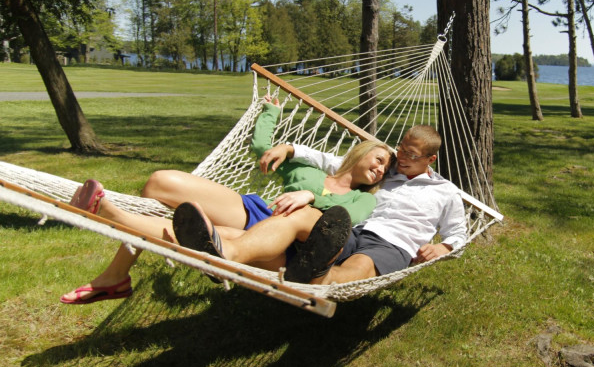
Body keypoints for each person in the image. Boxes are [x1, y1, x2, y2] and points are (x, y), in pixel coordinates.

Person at [59, 98, 393, 304]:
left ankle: (108, 220)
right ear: (360, 153)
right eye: (378, 159)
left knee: (202, 233)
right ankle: (118, 268)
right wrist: (271, 114)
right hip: (256, 212)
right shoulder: (310, 167)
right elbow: (264, 151)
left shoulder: (364, 199)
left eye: (385, 169)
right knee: (160, 182)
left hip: (286, 243)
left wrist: (310, 196)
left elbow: (339, 218)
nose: (380, 169)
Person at [182, 124, 467, 285]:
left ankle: (317, 281)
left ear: (430, 160)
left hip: (392, 245)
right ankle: (228, 252)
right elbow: (335, 163)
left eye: (412, 155)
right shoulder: (386, 168)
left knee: (355, 271)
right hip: (349, 231)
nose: (401, 157)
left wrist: (445, 246)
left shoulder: (446, 192)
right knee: (302, 214)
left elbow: (458, 232)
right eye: (401, 148)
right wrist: (291, 148)